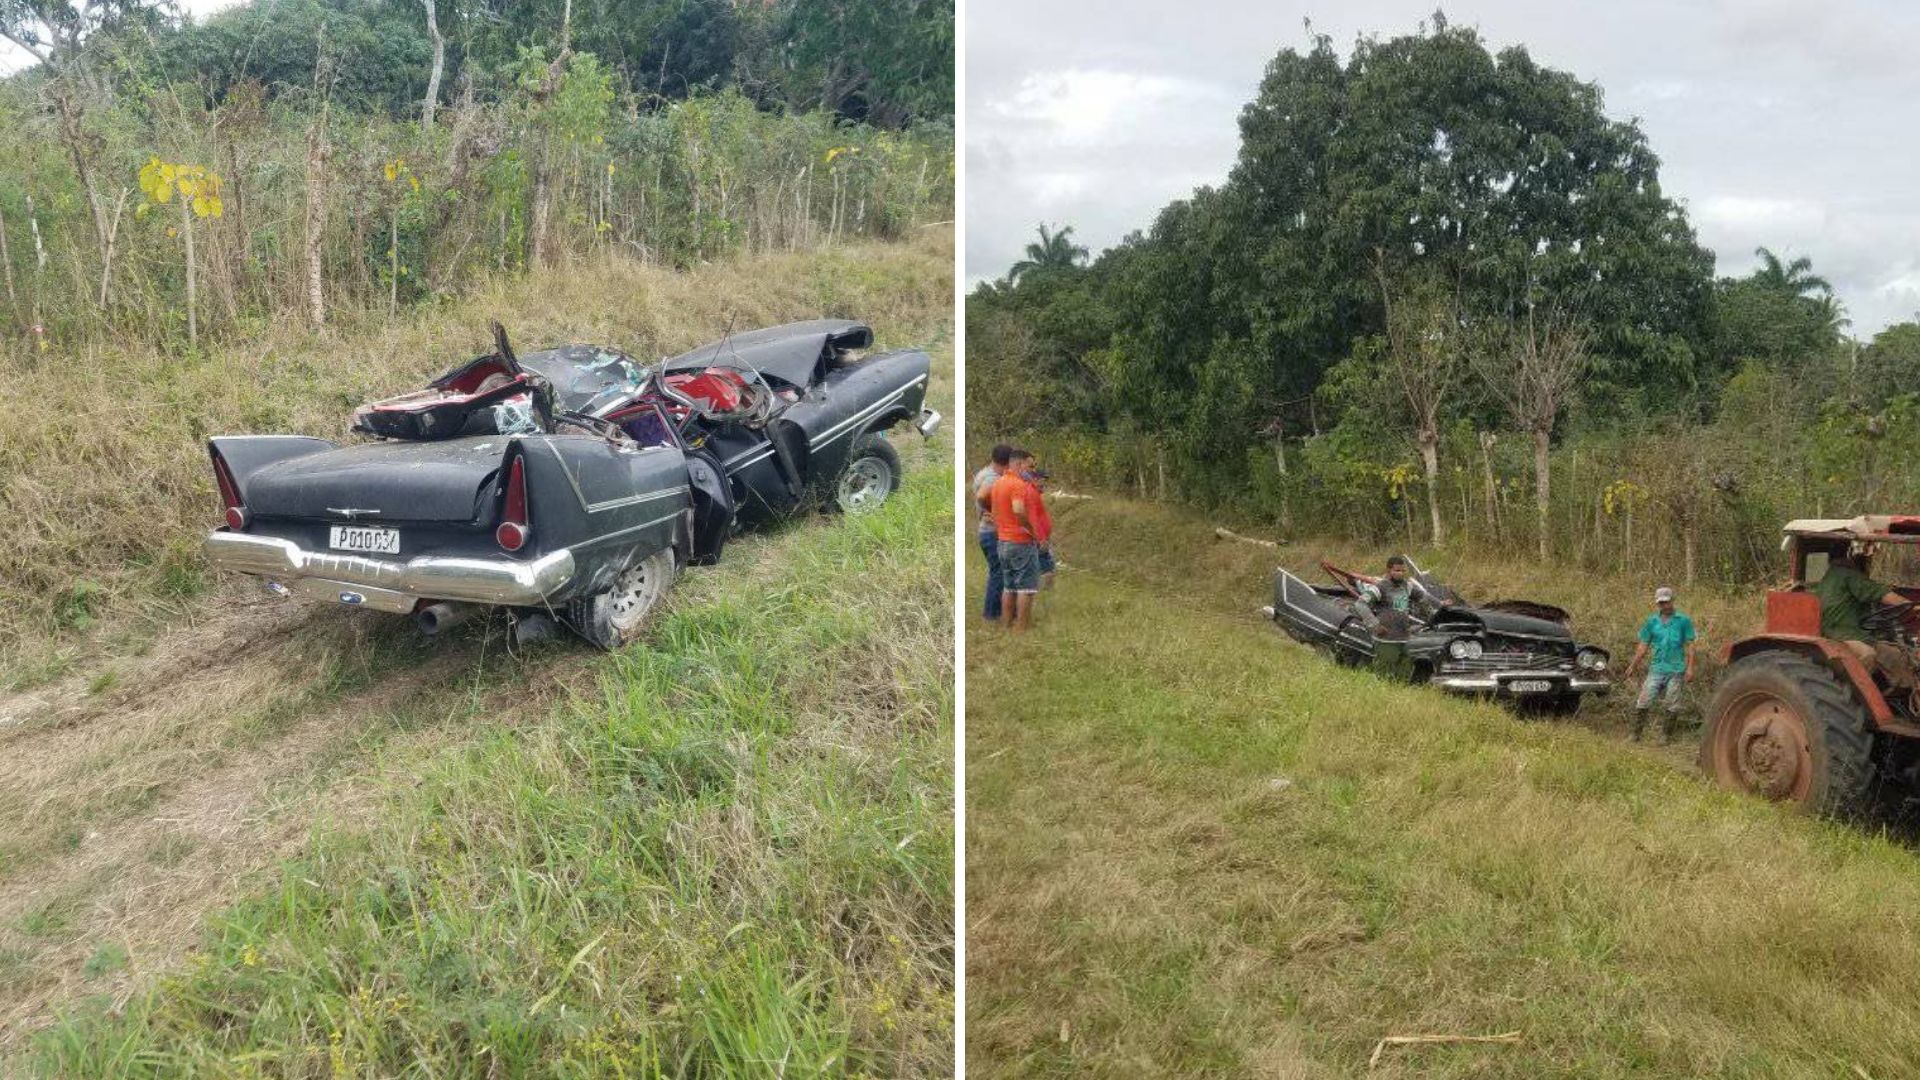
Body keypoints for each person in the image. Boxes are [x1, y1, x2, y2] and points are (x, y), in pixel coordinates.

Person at [1811, 547, 1907, 666]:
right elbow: (1880, 593)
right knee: (1867, 654)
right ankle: (1854, 685)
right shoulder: (1848, 575)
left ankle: (1903, 685)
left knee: (1894, 655)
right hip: (1841, 636)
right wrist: (1908, 604)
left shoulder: (1830, 576)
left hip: (1851, 634)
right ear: (1849, 555)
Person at [1624, 586, 1697, 742]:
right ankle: (1635, 735)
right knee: (1644, 700)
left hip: (1676, 669)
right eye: (1661, 603)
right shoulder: (1651, 622)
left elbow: (1691, 645)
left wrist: (1690, 668)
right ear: (1657, 603)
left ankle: (1666, 736)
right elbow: (1643, 645)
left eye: (1666, 602)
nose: (1664, 605)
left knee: (1672, 703)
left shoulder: (1683, 621)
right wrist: (1633, 665)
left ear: (1672, 600)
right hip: (1656, 668)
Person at [990, 449, 1045, 631]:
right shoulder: (1017, 485)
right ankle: (1022, 628)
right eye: (1030, 466)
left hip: (1003, 541)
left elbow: (995, 510)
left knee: (1009, 587)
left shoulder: (998, 483)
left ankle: (1006, 624)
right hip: (1020, 542)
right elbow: (1019, 510)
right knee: (1026, 588)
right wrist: (1031, 531)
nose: (1031, 470)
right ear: (1019, 464)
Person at [1357, 555, 1424, 680]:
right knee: (1383, 677)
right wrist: (1374, 625)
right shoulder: (1380, 587)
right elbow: (1360, 604)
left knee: (1403, 678)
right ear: (1388, 571)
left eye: (1403, 571)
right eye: (1397, 570)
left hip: (1405, 638)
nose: (1401, 573)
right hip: (1386, 639)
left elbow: (1423, 598)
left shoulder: (1407, 586)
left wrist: (1441, 604)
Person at [973, 445, 1012, 621]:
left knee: (997, 571)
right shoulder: (993, 478)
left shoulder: (984, 472)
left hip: (987, 532)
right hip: (991, 532)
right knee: (998, 573)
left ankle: (998, 611)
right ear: (1007, 463)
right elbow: (981, 496)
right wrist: (988, 511)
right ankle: (991, 614)